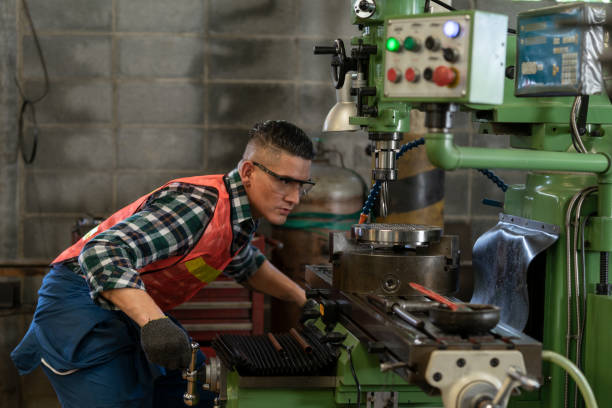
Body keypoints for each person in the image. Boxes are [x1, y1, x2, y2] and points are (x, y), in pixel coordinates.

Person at [11, 120, 317, 407]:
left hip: (125, 307)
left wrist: (303, 299)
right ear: (248, 172)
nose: (295, 197)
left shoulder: (239, 218)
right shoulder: (199, 206)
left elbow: (247, 264)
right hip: (79, 300)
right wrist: (155, 323)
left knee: (188, 385)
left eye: (302, 185)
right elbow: (100, 252)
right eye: (285, 182)